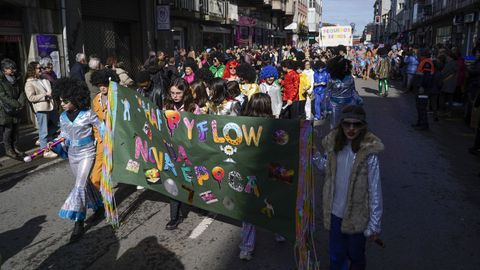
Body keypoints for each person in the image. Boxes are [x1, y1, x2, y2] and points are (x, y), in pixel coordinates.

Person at [320, 105, 383, 270]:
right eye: (347, 124)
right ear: (341, 124)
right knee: (336, 256)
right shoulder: (334, 145)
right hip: (335, 212)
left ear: (363, 126)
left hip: (357, 215)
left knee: (356, 256)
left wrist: (375, 223)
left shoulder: (368, 153)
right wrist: (311, 154)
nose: (351, 128)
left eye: (356, 124)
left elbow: (375, 189)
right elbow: (325, 166)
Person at [50, 77, 104, 242]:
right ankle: (99, 207)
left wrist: (107, 145)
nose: (63, 104)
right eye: (61, 101)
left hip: (87, 153)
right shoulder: (63, 117)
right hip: (72, 155)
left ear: (75, 98)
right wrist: (55, 142)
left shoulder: (88, 114)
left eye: (66, 100)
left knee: (79, 186)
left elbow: (102, 128)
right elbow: (64, 135)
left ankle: (78, 223)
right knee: (86, 184)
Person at [239, 92, 285, 261]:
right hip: (269, 172)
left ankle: (246, 247)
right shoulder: (276, 124)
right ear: (267, 106)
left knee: (249, 209)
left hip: (251, 173)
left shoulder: (243, 124)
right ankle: (279, 232)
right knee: (272, 202)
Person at [163, 78, 202, 229]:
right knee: (173, 182)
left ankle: (199, 202)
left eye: (178, 93)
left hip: (189, 153)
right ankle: (175, 216)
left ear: (185, 93)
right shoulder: (167, 106)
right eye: (172, 93)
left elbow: (199, 131)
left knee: (191, 180)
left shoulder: (193, 108)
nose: (175, 96)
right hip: (171, 152)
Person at [89, 68, 120, 190]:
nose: (102, 88)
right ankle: (97, 191)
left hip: (116, 136)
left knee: (116, 162)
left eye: (105, 85)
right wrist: (97, 137)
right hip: (102, 138)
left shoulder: (117, 97)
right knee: (97, 169)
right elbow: (94, 121)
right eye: (99, 85)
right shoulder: (96, 99)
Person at [24, 61, 59, 158]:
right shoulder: (29, 83)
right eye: (38, 68)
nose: (41, 70)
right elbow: (31, 98)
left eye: (41, 68)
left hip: (51, 106)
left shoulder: (44, 79)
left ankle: (44, 139)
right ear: (33, 70)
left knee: (59, 124)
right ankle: (45, 151)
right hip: (41, 108)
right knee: (44, 131)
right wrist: (44, 96)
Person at [0, 58, 26, 160]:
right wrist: (16, 104)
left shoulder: (16, 78)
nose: (13, 70)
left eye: (13, 68)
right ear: (4, 69)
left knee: (16, 129)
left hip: (16, 108)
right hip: (5, 109)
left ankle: (15, 147)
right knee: (8, 130)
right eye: (11, 68)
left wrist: (21, 103)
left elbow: (21, 92)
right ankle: (8, 149)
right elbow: (3, 96)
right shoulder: (1, 80)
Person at [326, 57, 363, 128]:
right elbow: (327, 93)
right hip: (335, 106)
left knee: (348, 126)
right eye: (344, 65)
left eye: (347, 65)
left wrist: (358, 98)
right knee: (335, 126)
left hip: (348, 105)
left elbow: (353, 91)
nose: (346, 67)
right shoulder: (332, 79)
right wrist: (325, 107)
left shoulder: (350, 78)